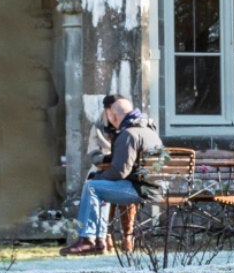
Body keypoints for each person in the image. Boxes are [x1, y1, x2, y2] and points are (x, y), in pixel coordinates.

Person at [63, 95, 162, 257]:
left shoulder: (128, 134)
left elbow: (119, 171)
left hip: (142, 190)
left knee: (92, 187)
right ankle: (99, 238)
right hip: (154, 186)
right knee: (97, 187)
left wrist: (98, 177)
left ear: (112, 115)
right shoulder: (148, 129)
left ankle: (88, 239)